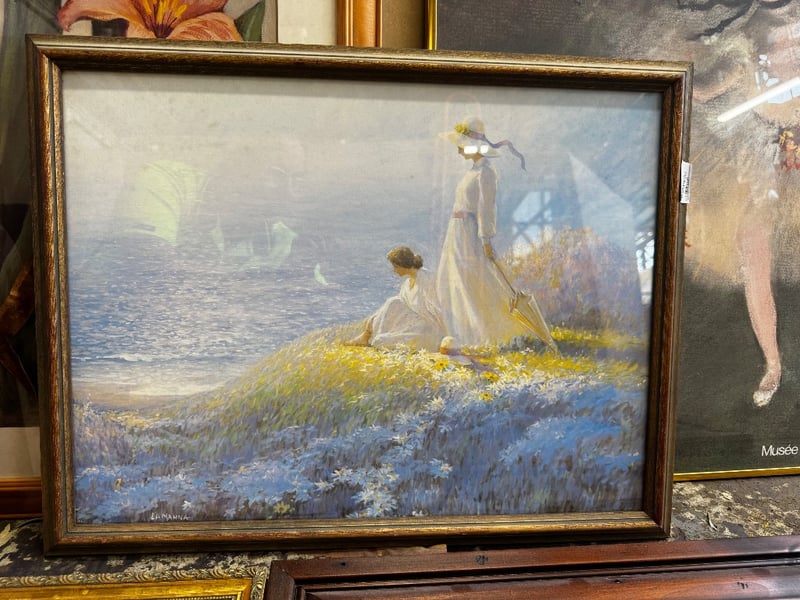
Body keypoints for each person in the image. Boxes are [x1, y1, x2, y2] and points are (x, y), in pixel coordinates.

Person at [436, 117, 551, 348]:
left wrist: (486, 238)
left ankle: (485, 334)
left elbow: (486, 208)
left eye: (461, 145)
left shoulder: (486, 173)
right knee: (454, 279)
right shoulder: (472, 171)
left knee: (472, 279)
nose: (458, 150)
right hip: (456, 232)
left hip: (469, 232)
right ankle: (461, 332)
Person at [347, 246, 445, 352]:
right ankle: (367, 336)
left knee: (380, 341)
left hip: (427, 326)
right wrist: (371, 322)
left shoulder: (427, 278)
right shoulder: (407, 284)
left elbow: (436, 308)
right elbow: (397, 306)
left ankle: (369, 337)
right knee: (393, 302)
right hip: (413, 322)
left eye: (396, 266)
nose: (394, 270)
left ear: (404, 265)